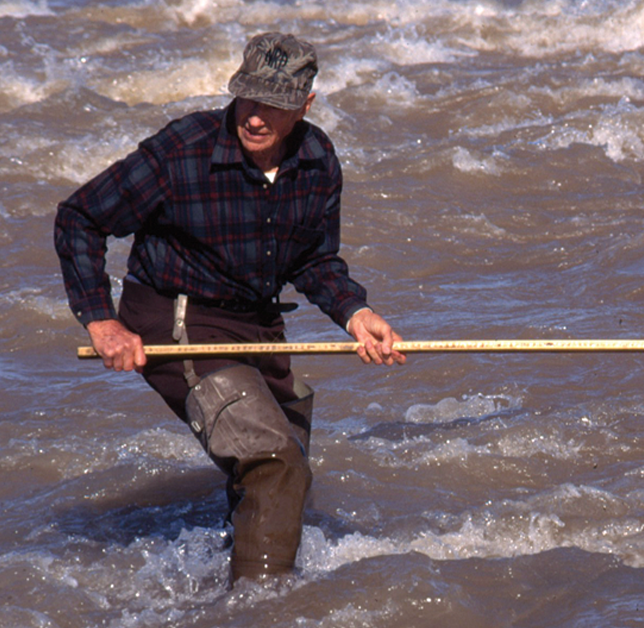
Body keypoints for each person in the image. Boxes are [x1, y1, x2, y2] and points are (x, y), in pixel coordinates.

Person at [53, 32, 402, 583]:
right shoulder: (183, 149)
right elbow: (80, 217)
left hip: (257, 322)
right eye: (248, 98)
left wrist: (355, 313)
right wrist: (102, 319)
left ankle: (221, 589)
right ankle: (262, 608)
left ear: (305, 107)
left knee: (287, 458)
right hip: (176, 317)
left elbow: (314, 261)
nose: (256, 117)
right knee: (273, 462)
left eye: (275, 105)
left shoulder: (318, 160)